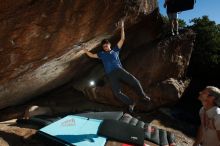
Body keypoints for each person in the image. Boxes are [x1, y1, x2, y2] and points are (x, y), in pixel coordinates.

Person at [83, 20, 151, 113]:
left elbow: (122, 39)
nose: (105, 47)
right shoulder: (101, 54)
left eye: (106, 45)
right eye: (104, 46)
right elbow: (91, 55)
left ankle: (143, 96)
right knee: (117, 93)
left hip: (119, 70)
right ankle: (131, 102)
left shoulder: (115, 50)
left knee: (134, 81)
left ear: (109, 45)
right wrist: (84, 49)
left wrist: (122, 27)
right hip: (111, 75)